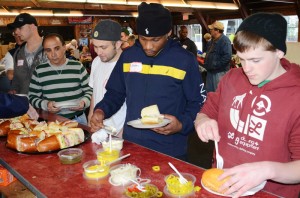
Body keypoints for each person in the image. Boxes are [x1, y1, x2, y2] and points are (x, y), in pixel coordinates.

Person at [194, 13, 300, 198]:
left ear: (279, 52)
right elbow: (205, 113)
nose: (246, 68)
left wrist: (268, 170)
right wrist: (202, 121)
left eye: (255, 60)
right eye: (241, 59)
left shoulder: (296, 96)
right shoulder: (231, 79)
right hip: (220, 185)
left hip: (270, 193)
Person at [90, 2, 206, 160]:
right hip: (132, 144)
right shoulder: (128, 56)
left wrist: (182, 124)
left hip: (170, 148)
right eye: (143, 39)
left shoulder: (184, 60)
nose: (148, 46)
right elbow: (115, 93)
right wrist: (101, 110)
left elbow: (198, 102)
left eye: (155, 39)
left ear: (168, 33)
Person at [28, 33, 92, 125]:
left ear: (64, 47)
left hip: (78, 120)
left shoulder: (77, 67)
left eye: (57, 48)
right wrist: (46, 105)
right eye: (48, 50)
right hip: (53, 122)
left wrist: (84, 102)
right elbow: (32, 97)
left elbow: (90, 90)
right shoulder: (39, 71)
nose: (53, 54)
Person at [88, 19, 126, 134]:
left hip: (119, 132)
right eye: (95, 46)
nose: (98, 52)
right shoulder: (96, 62)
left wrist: (124, 133)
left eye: (103, 47)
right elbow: (95, 93)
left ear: (118, 44)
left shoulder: (128, 66)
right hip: (99, 132)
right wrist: (90, 118)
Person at [7, 13, 48, 95]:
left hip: (47, 105)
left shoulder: (50, 49)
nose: (16, 32)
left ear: (32, 26)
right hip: (24, 105)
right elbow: (16, 81)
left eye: (20, 28)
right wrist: (14, 90)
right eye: (15, 29)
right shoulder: (18, 53)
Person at [204, 21, 232, 92]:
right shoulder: (212, 41)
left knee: (219, 93)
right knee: (210, 94)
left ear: (217, 31)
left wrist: (215, 65)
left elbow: (227, 57)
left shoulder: (225, 41)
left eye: (212, 29)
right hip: (211, 72)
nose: (210, 30)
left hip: (219, 73)